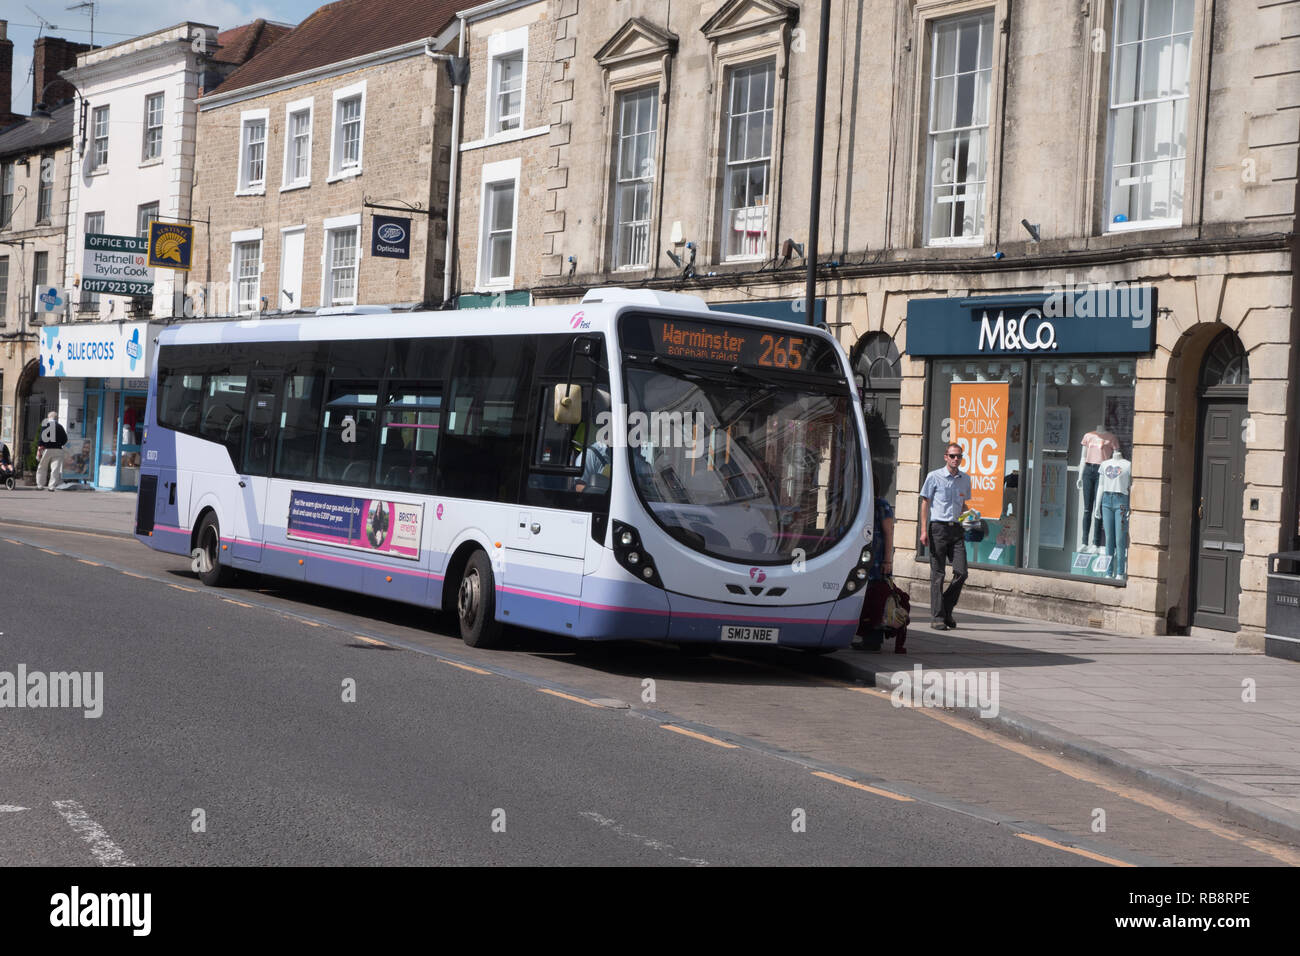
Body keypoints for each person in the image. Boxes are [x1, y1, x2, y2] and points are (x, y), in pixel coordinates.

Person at [919, 442, 972, 630]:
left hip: (956, 529)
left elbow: (963, 504)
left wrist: (970, 521)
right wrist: (924, 530)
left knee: (961, 572)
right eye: (952, 456)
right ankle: (938, 617)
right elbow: (925, 502)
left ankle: (946, 608)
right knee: (938, 574)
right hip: (938, 529)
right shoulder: (934, 477)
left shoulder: (965, 479)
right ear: (946, 457)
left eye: (958, 456)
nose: (955, 459)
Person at [35, 411, 68, 491]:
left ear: (48, 417)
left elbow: (42, 438)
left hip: (47, 449)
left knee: (42, 467)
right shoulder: (60, 426)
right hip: (58, 449)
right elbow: (65, 439)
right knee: (55, 468)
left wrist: (39, 448)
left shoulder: (45, 425)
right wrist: (60, 444)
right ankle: (51, 486)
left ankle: (40, 485)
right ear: (56, 418)